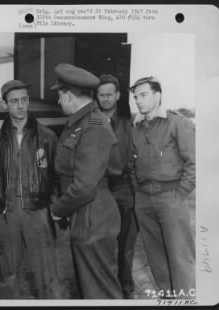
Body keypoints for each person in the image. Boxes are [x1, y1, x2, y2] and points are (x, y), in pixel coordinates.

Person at [49, 64, 123, 299]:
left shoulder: (93, 125)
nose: (59, 102)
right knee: (89, 288)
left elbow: (84, 185)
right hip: (85, 214)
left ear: (69, 95)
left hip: (93, 215)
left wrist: (57, 210)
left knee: (101, 291)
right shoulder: (82, 122)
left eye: (60, 95)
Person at [0, 80, 62, 299]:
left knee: (47, 274)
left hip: (38, 211)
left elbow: (57, 176)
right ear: (5, 105)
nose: (20, 105)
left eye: (24, 100)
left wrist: (55, 208)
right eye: (14, 101)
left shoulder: (46, 136)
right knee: (8, 275)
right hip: (6, 213)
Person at [129, 76, 195, 297]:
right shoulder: (135, 127)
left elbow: (193, 161)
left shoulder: (176, 123)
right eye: (136, 96)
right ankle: (168, 299)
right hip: (144, 198)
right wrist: (138, 191)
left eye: (143, 95)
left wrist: (181, 193)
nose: (138, 100)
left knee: (179, 256)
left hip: (171, 196)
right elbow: (131, 163)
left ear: (157, 95)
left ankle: (185, 301)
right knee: (155, 256)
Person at [96, 74, 138, 299]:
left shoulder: (129, 121)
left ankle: (126, 290)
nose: (105, 99)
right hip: (100, 188)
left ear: (118, 95)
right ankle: (104, 289)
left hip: (124, 188)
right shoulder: (93, 120)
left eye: (109, 94)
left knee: (125, 245)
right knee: (101, 242)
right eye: (101, 95)